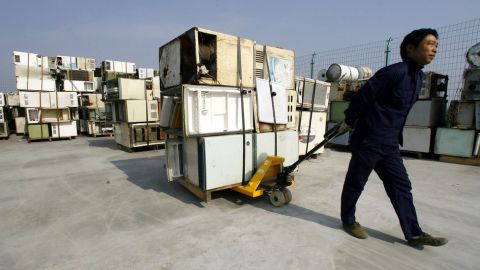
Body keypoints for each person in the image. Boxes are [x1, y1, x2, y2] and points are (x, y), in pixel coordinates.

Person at [337, 28, 448, 247]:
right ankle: (348, 220)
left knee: (401, 186)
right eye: (429, 44)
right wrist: (350, 120)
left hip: (390, 144)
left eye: (436, 45)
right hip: (369, 139)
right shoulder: (393, 72)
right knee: (356, 183)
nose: (434, 49)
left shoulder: (419, 78)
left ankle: (414, 233)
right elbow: (363, 97)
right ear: (410, 48)